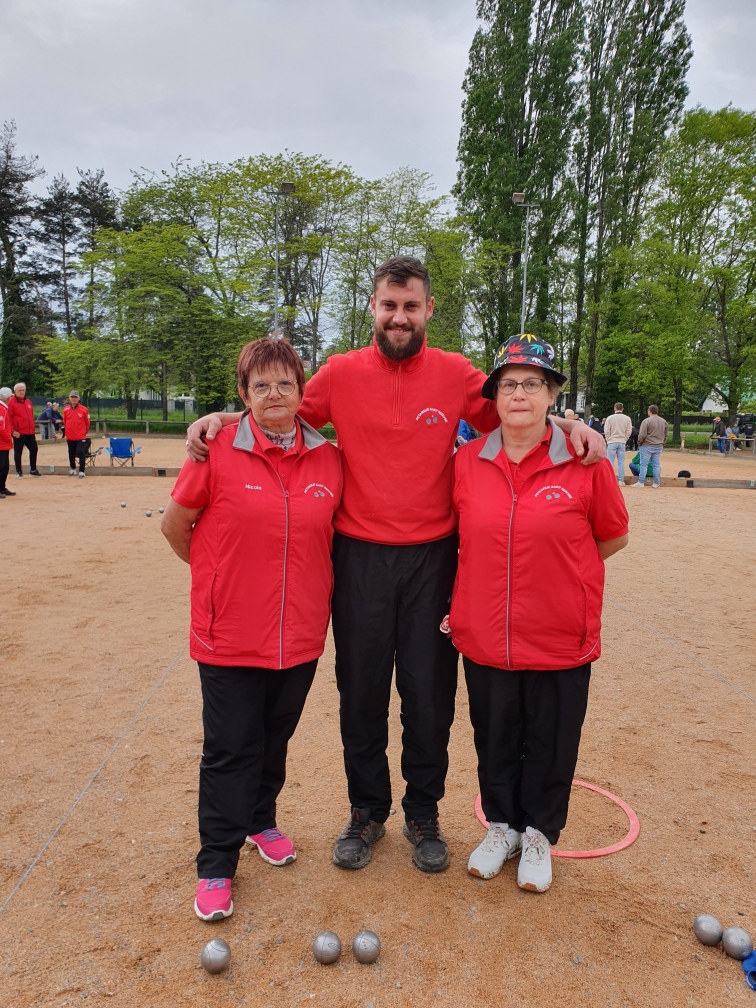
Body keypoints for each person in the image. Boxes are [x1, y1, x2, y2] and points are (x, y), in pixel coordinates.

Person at [185, 257, 607, 875]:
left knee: (428, 696)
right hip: (357, 557)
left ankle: (423, 812)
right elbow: (278, 412)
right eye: (389, 306)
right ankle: (366, 811)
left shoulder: (457, 375)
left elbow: (521, 411)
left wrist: (574, 425)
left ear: (429, 310)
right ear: (374, 308)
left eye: (411, 307)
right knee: (359, 693)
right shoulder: (340, 373)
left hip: (434, 560)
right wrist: (221, 418)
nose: (399, 317)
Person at [161, 338, 342, 922]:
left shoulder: (329, 460)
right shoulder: (216, 447)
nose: (273, 395)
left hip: (301, 632)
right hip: (231, 633)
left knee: (273, 738)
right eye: (260, 386)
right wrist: (219, 578)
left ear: (301, 391)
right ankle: (216, 861)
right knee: (230, 747)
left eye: (284, 384)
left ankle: (259, 819)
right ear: (242, 394)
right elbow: (175, 526)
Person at [448, 336, 629, 893]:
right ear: (494, 397)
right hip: (486, 633)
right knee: (494, 733)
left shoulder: (585, 459)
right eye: (509, 384)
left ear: (552, 394)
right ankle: (501, 826)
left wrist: (559, 574)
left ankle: (538, 836)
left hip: (558, 633)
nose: (520, 393)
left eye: (533, 383)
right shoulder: (465, 461)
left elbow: (612, 536)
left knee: (551, 739)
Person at [8, 382, 41, 477]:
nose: (22, 392)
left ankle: (33, 470)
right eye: (20, 390)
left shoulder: (28, 401)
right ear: (15, 391)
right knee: (18, 451)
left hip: (29, 431)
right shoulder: (11, 402)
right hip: (18, 432)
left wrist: (33, 427)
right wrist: (12, 431)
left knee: (34, 449)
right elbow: (9, 418)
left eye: (23, 390)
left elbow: (30, 415)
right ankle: (19, 471)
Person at [631, 405, 668, 488]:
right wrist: (663, 443)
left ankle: (641, 482)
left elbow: (642, 434)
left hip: (647, 445)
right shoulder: (663, 421)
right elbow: (666, 434)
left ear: (649, 411)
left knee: (644, 464)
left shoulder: (646, 421)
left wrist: (639, 443)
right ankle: (656, 482)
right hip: (658, 445)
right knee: (656, 464)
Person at [62, 392, 91, 478]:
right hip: (70, 436)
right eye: (72, 397)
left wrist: (84, 432)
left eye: (75, 397)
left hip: (80, 436)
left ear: (78, 398)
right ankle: (73, 468)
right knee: (71, 452)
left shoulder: (84, 409)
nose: (74, 399)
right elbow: (65, 421)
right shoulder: (66, 409)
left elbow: (87, 422)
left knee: (81, 452)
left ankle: (81, 470)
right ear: (69, 398)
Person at [603, 402, 632, 484]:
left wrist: (608, 439)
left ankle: (609, 480)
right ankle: (621, 480)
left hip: (612, 441)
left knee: (610, 462)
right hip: (622, 441)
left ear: (614, 408)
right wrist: (625, 439)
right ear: (622, 409)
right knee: (621, 462)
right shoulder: (627, 418)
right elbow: (629, 430)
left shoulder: (609, 418)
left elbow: (607, 430)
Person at [0, 387, 16, 499]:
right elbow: (1, 427)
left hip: (4, 443)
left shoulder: (4, 408)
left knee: (5, 466)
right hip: (1, 443)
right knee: (1, 466)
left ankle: (2, 487)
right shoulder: (1, 409)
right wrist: (8, 438)